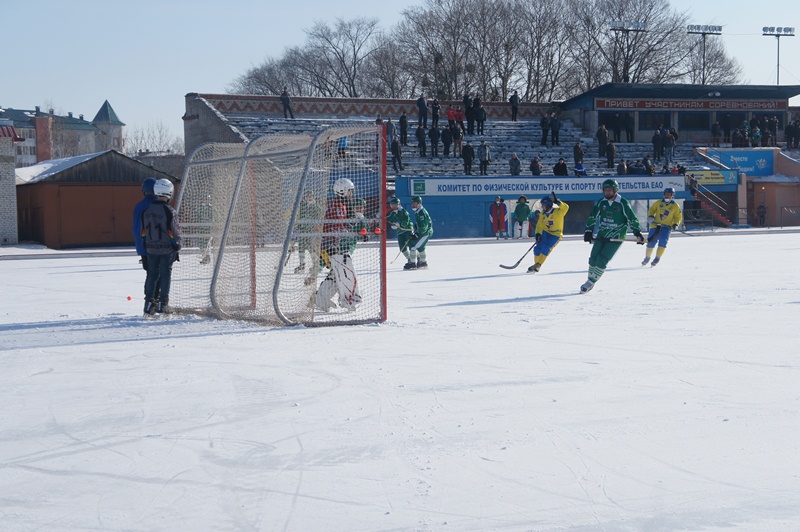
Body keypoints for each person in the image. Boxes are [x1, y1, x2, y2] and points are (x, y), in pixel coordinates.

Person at [580, 178, 644, 293]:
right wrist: (588, 231)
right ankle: (589, 280)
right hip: (602, 234)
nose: (607, 192)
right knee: (593, 258)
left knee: (602, 259)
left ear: (615, 190)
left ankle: (590, 282)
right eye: (606, 190)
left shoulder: (622, 203)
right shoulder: (601, 202)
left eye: (610, 190)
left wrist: (637, 232)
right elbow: (593, 216)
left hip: (616, 236)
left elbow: (632, 218)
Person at [315, 178, 362, 311]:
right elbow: (337, 227)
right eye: (349, 191)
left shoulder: (336, 204)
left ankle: (322, 298)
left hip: (330, 244)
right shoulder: (338, 205)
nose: (351, 194)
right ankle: (347, 299)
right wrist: (349, 228)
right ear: (342, 191)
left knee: (337, 273)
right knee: (343, 272)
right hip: (333, 245)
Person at [141, 179, 181, 315]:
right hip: (166, 249)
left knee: (152, 275)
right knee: (165, 275)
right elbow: (174, 231)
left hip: (151, 249)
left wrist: (145, 244)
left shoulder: (146, 210)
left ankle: (148, 304)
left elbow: (143, 232)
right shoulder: (169, 210)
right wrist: (177, 244)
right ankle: (162, 304)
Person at [527, 192, 569, 273]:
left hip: (556, 234)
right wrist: (538, 233)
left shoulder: (558, 212)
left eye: (543, 205)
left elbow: (566, 207)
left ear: (548, 205)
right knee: (537, 248)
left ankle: (538, 265)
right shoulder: (543, 214)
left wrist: (558, 203)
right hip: (546, 232)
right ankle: (536, 264)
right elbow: (540, 225)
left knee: (546, 248)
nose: (542, 206)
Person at [642, 187, 683, 267]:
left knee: (663, 241)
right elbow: (651, 210)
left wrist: (676, 224)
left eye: (669, 194)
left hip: (666, 227)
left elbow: (678, 217)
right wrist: (650, 216)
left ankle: (657, 258)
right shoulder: (658, 203)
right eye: (666, 194)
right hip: (655, 226)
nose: (667, 196)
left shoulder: (675, 206)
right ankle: (647, 257)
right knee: (651, 241)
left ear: (672, 195)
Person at [294, 190, 323, 273]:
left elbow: (320, 212)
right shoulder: (303, 205)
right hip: (303, 230)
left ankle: (316, 264)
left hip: (312, 230)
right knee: (301, 247)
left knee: (311, 247)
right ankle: (302, 264)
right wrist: (298, 224)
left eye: (310, 196)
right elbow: (300, 215)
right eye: (307, 196)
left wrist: (314, 205)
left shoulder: (315, 205)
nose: (309, 198)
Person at [387, 196, 415, 267]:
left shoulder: (404, 212)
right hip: (400, 232)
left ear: (398, 204)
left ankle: (415, 259)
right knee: (402, 247)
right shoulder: (393, 213)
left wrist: (398, 225)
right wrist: (381, 217)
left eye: (394, 205)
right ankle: (409, 258)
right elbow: (388, 218)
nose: (392, 206)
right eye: (391, 205)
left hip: (407, 230)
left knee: (411, 245)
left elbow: (406, 222)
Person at [407, 196, 433, 269]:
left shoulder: (422, 213)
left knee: (413, 246)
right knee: (420, 246)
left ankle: (412, 263)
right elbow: (420, 224)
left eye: (414, 203)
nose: (413, 205)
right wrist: (416, 227)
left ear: (419, 204)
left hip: (426, 233)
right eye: (412, 203)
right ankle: (423, 262)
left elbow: (424, 227)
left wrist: (417, 234)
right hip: (424, 232)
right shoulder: (418, 211)